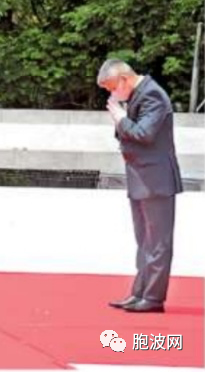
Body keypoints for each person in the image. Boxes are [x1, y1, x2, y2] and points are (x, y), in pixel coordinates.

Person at [98, 59, 183, 313]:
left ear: (124, 79)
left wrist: (121, 118)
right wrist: (121, 121)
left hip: (156, 180)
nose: (113, 94)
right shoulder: (140, 95)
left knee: (157, 243)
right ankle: (140, 293)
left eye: (113, 87)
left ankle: (153, 298)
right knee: (145, 242)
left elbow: (144, 134)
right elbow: (130, 133)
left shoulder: (153, 95)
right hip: (142, 178)